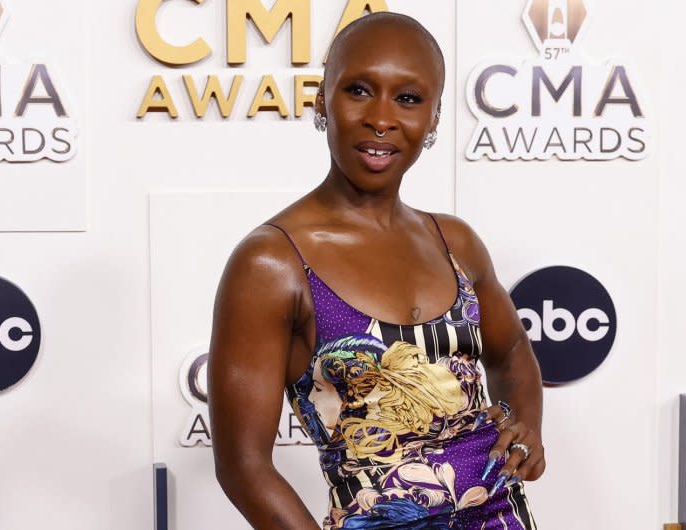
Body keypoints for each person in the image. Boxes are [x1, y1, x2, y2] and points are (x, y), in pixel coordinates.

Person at [208, 11, 544, 530]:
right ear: (323, 99)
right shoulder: (272, 263)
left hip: (503, 517)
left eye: (408, 99)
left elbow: (513, 350)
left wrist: (525, 427)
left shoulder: (454, 242)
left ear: (433, 119)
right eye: (360, 90)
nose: (381, 118)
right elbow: (243, 467)